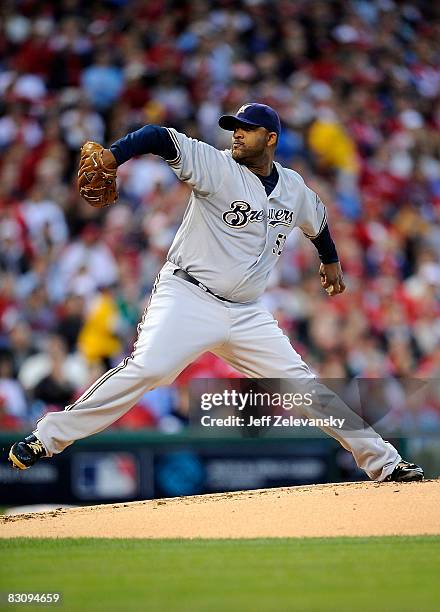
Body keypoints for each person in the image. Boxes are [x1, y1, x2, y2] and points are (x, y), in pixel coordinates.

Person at [9, 103, 423, 482]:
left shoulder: (294, 188)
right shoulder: (217, 166)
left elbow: (319, 223)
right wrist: (114, 156)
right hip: (189, 295)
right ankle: (48, 436)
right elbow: (158, 135)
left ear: (271, 138)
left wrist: (330, 262)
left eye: (247, 129)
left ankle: (385, 464)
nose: (236, 134)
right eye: (233, 128)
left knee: (306, 387)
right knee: (149, 368)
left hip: (246, 313)